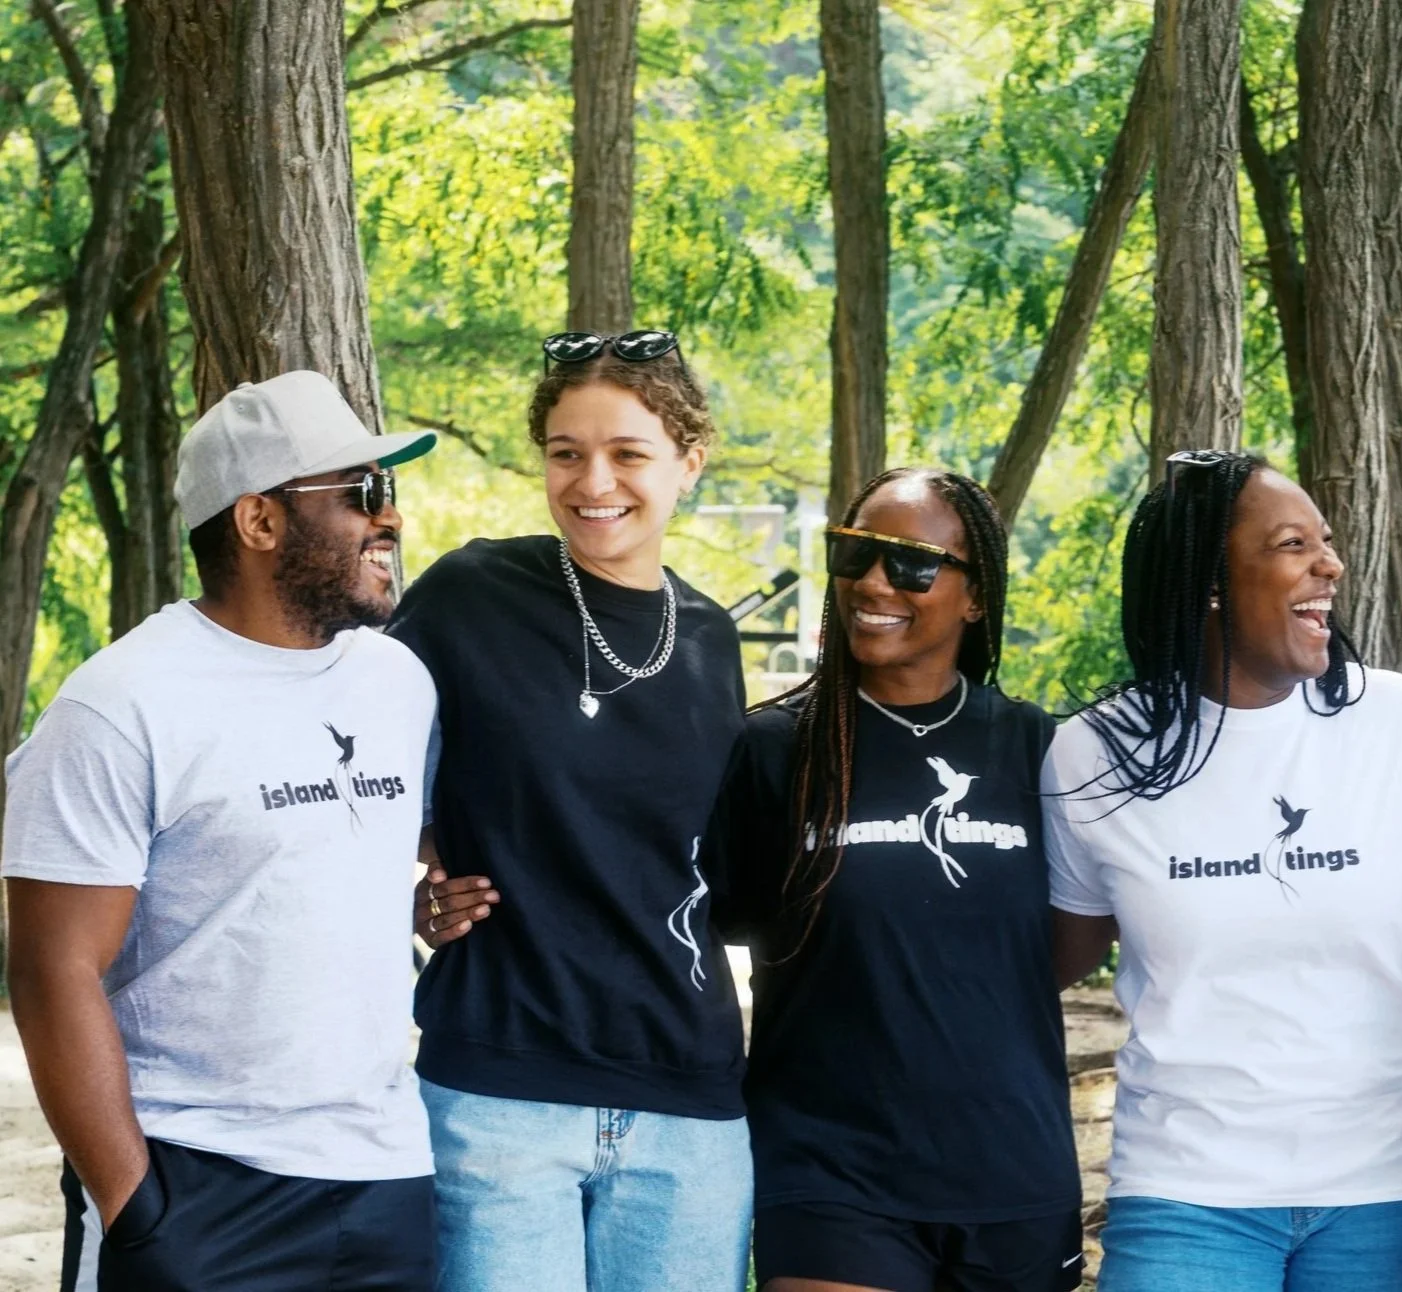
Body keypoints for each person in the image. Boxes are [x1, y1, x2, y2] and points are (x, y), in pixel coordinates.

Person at [3, 371, 439, 1290]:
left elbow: (333, 869)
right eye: (362, 492)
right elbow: (51, 970)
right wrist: (134, 1209)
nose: (390, 517)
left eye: (387, 489)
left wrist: (428, 905)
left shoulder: (399, 682)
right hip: (194, 1181)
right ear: (259, 520)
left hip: (385, 1178)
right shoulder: (121, 705)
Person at [1043, 451, 1402, 1292]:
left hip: (1396, 1180)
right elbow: (1044, 961)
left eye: (1325, 541)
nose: (1331, 565)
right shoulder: (1097, 753)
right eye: (1294, 545)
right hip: (1187, 1187)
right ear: (1210, 582)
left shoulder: (1393, 720)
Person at [388, 330, 751, 1290]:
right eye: (565, 452)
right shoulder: (470, 595)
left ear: (689, 462)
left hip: (686, 1095)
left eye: (629, 453)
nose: (594, 482)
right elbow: (357, 762)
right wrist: (407, 879)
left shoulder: (712, 638)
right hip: (499, 1091)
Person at [702, 467, 1081, 1292]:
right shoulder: (774, 752)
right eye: (855, 554)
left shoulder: (1036, 750)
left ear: (975, 598)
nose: (874, 583)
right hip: (831, 1169)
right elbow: (704, 919)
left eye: (912, 563)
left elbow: (1072, 932)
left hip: (1014, 1167)